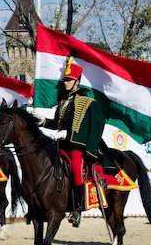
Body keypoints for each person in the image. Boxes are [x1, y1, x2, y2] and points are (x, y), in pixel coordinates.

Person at [41, 57, 106, 227]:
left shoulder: (88, 102)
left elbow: (97, 126)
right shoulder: (63, 102)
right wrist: (43, 122)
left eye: (69, 80)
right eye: (65, 80)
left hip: (77, 147)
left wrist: (84, 145)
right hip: (61, 144)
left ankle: (77, 209)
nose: (65, 83)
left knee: (76, 169)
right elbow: (57, 123)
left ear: (77, 82)